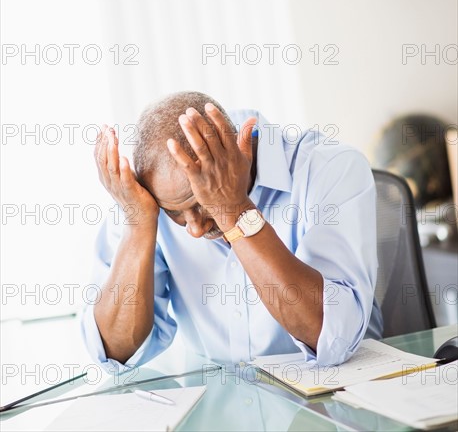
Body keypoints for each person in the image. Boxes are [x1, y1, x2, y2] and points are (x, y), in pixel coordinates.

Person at [81, 91, 382, 374]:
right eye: (175, 212)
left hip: (344, 396)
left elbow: (334, 339)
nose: (195, 229)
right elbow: (114, 352)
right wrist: (138, 223)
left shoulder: (331, 167)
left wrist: (232, 208)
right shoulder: (148, 195)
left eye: (201, 204)